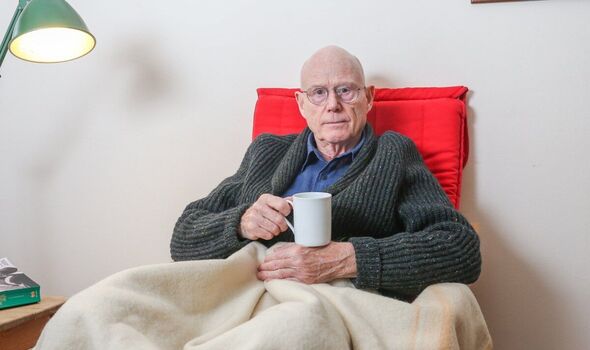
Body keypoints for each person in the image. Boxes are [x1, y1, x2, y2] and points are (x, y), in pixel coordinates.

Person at [170, 46, 481, 300]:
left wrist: (345, 259)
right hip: (250, 293)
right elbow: (184, 237)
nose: (332, 105)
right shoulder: (268, 150)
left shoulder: (393, 154)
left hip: (337, 301)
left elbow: (460, 248)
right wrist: (240, 222)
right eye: (318, 92)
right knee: (124, 293)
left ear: (369, 97)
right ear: (301, 103)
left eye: (346, 90)